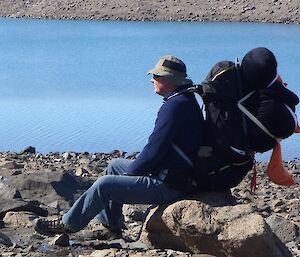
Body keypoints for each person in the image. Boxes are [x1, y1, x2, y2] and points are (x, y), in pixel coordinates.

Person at [34, 55, 205, 240]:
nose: (151, 80)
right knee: (114, 165)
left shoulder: (175, 107)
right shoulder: (185, 100)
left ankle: (68, 224)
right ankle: (111, 226)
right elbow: (158, 151)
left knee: (104, 185)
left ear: (169, 79)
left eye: (156, 76)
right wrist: (134, 170)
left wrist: (133, 172)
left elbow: (154, 151)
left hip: (170, 185)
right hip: (172, 174)